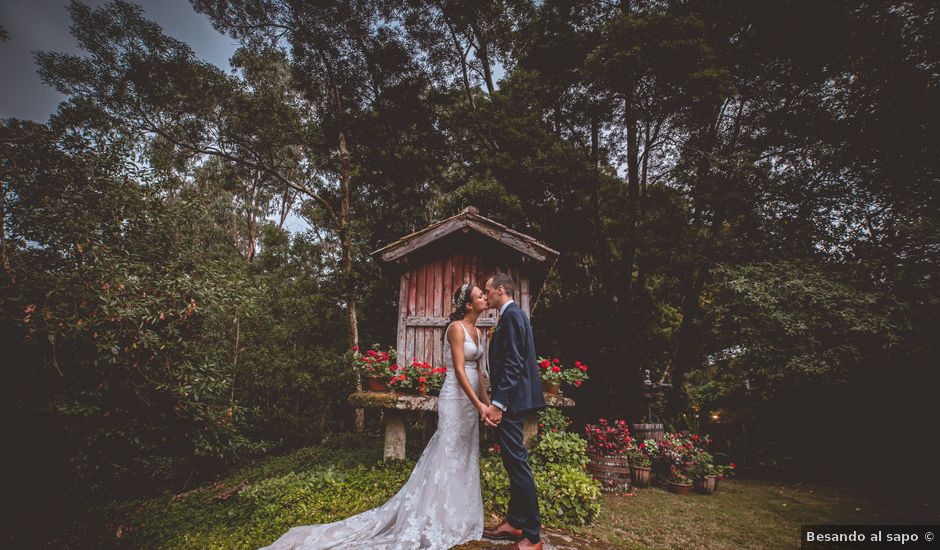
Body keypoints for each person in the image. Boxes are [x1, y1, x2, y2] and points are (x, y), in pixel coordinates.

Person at [260, 282, 491, 550]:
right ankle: (441, 518)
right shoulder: (456, 329)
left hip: (472, 402)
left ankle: (462, 514)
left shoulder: (478, 330)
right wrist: (478, 403)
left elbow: (479, 373)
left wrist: (487, 405)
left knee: (465, 453)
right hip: (455, 397)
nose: (485, 298)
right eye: (480, 295)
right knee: (448, 452)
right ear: (468, 305)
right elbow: (461, 371)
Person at [481, 273, 546, 550]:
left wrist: (498, 404)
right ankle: (515, 521)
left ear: (500, 290)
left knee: (518, 465)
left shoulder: (512, 317)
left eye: (487, 291)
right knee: (512, 462)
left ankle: (532, 535)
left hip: (511, 403)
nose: (485, 296)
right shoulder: (511, 316)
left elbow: (514, 364)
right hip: (513, 401)